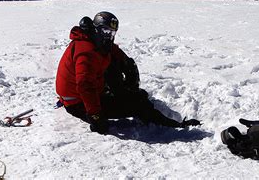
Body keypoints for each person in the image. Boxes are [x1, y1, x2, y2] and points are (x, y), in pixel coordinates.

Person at [56, 11, 200, 134]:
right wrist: (96, 117)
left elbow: (122, 59)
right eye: (106, 32)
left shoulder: (96, 42)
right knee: (138, 104)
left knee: (120, 73)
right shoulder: (86, 52)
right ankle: (174, 126)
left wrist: (130, 78)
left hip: (84, 95)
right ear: (97, 30)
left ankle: (127, 97)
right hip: (78, 103)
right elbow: (84, 85)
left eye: (112, 32)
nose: (109, 36)